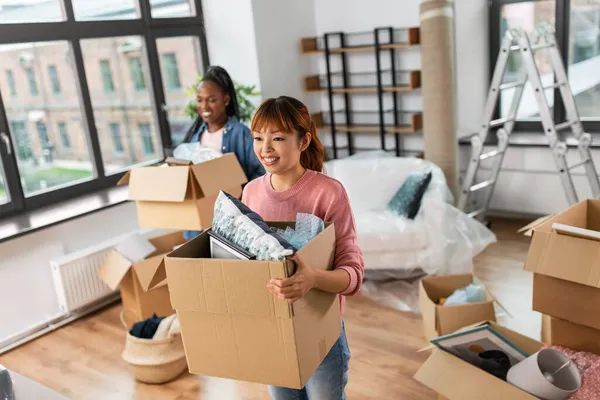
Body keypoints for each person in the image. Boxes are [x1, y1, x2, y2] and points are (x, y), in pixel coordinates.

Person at [241, 96, 364, 400]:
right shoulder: (250, 193)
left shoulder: (329, 193)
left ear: (303, 141)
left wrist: (313, 279)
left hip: (320, 335)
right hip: (273, 333)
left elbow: (354, 275)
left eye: (278, 138)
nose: (265, 148)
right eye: (258, 138)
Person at [181, 66, 265, 241]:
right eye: (200, 100)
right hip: (200, 226)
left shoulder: (240, 133)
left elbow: (261, 174)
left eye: (211, 100)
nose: (204, 106)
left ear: (225, 99)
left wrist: (242, 196)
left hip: (232, 223)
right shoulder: (194, 138)